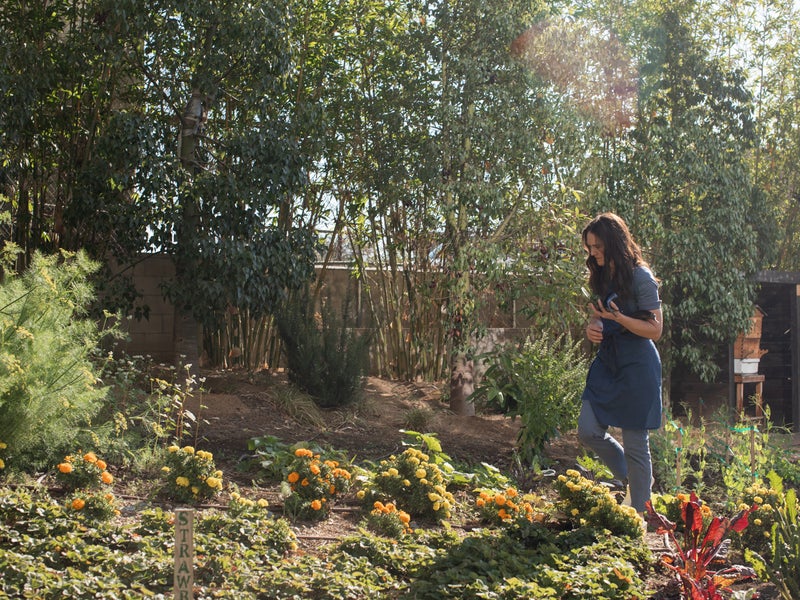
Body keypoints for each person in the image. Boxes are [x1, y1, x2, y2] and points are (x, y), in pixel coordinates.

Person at [577, 212, 663, 516]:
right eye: (589, 248)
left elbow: (655, 329)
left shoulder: (641, 276)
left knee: (637, 443)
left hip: (638, 365)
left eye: (598, 247)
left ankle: (639, 517)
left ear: (614, 242)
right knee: (588, 430)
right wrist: (594, 325)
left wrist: (619, 319)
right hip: (608, 361)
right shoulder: (601, 274)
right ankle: (638, 477)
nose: (593, 253)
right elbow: (599, 314)